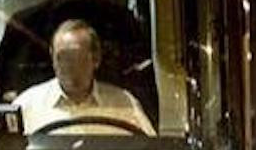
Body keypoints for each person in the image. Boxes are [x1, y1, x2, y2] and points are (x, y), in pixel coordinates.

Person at [14, 18, 156, 135]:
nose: (67, 65)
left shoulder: (125, 105)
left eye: (75, 56)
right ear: (52, 58)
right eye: (61, 57)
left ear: (96, 59)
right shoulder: (27, 105)